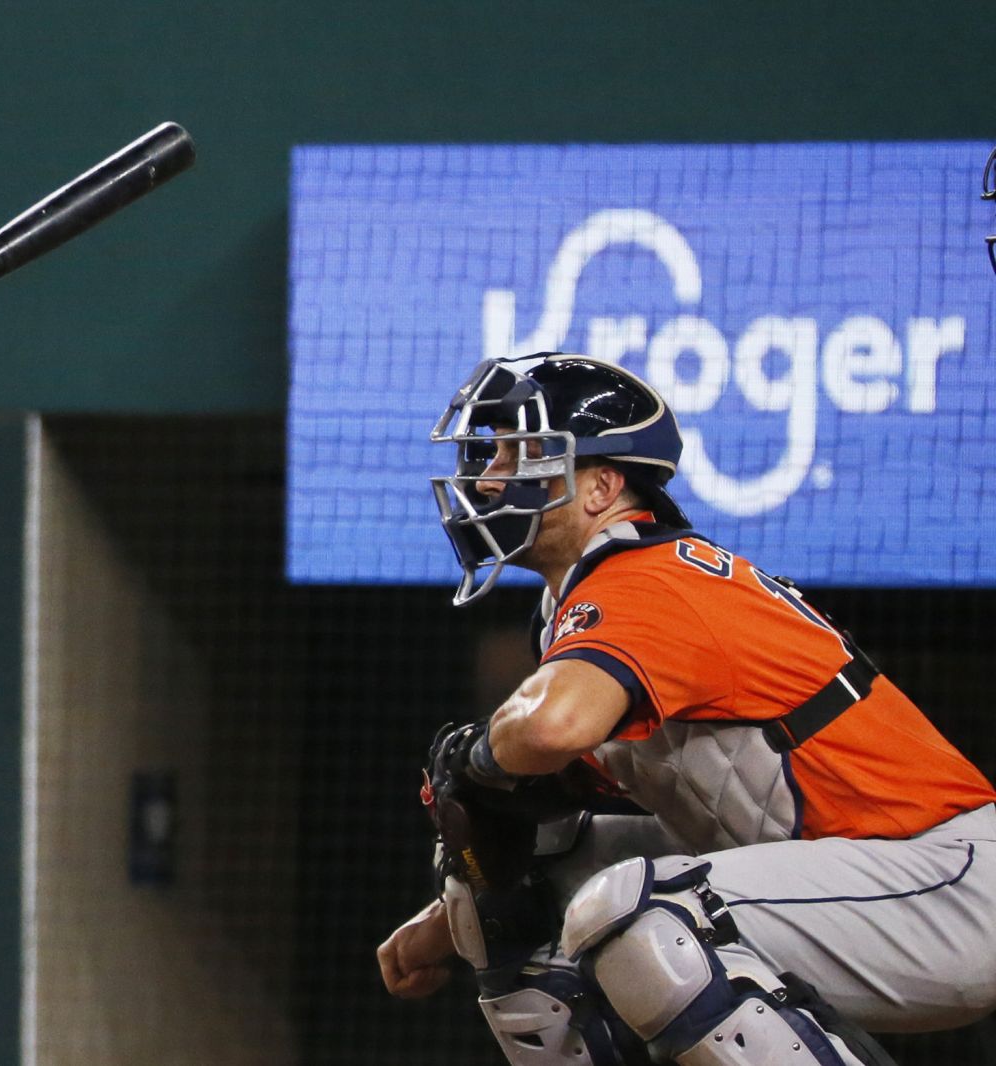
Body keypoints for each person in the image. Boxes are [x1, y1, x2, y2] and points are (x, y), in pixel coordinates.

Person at [376, 354, 996, 1065]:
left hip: (945, 882)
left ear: (602, 486)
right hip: (855, 878)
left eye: (524, 455)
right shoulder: (585, 602)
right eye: (496, 456)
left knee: (642, 912)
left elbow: (550, 729)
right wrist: (449, 921)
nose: (489, 479)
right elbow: (592, 788)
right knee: (523, 866)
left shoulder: (648, 580)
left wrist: (475, 756)